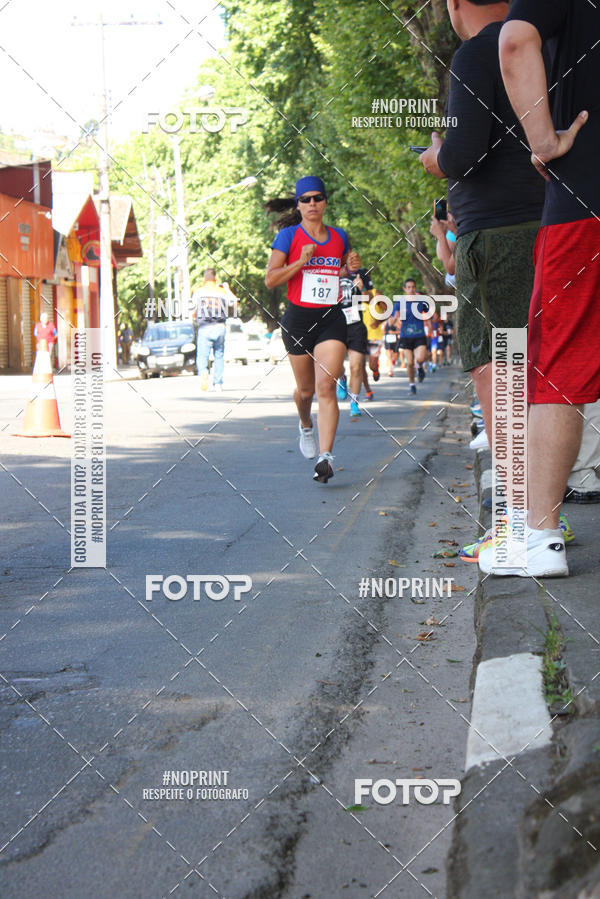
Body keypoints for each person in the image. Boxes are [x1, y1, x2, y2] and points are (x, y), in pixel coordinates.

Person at [477, 0, 599, 576]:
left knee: (559, 364)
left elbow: (516, 43)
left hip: (586, 200)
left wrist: (544, 139)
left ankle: (541, 539)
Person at [419, 0, 545, 451]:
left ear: (454, 4)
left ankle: (516, 517)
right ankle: (540, 510)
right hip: (548, 224)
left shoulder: (476, 52)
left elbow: (463, 154)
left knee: (498, 366)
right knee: (536, 363)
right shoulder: (541, 45)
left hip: (495, 237)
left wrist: (436, 156)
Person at [265, 176, 361, 483]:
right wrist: (300, 262)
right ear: (298, 204)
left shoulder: (338, 236)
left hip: (330, 318)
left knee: (325, 387)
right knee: (306, 391)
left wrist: (351, 268)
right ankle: (305, 424)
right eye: (305, 199)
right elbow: (271, 279)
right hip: (298, 321)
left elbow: (338, 270)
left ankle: (326, 457)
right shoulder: (287, 237)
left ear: (325, 202)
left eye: (317, 198)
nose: (311, 204)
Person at [193, 268, 236, 392]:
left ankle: (204, 373)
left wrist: (196, 318)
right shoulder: (221, 291)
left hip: (204, 328)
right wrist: (227, 288)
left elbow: (193, 311)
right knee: (219, 355)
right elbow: (234, 302)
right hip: (219, 327)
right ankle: (218, 384)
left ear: (204, 279)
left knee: (202, 355)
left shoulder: (199, 292)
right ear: (215, 279)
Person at [336, 270, 371, 418]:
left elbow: (370, 299)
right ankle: (342, 377)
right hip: (335, 325)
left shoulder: (361, 273)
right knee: (335, 366)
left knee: (356, 367)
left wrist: (362, 288)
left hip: (355, 326)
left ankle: (354, 402)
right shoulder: (330, 269)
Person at [395, 277, 428, 395]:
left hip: (419, 335)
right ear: (404, 289)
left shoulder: (421, 300)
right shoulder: (399, 302)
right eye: (408, 287)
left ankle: (419, 367)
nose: (411, 289)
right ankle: (412, 385)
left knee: (420, 359)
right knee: (409, 363)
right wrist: (396, 321)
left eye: (413, 287)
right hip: (406, 336)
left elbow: (430, 312)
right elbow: (394, 317)